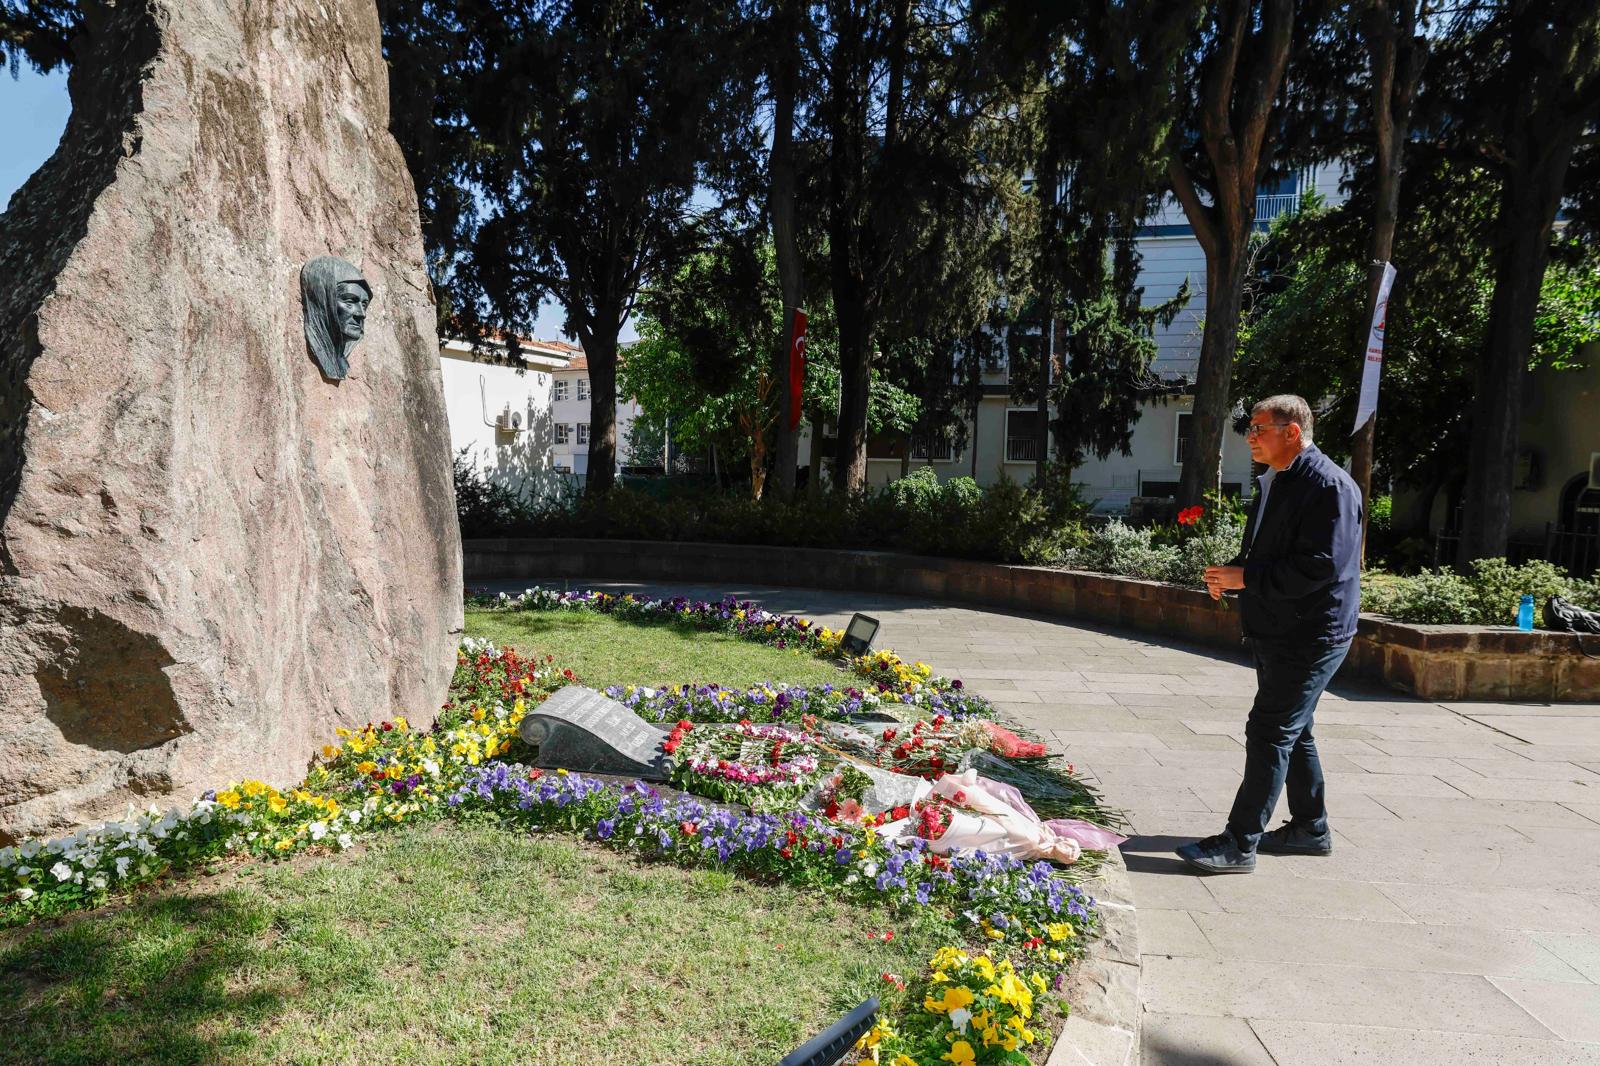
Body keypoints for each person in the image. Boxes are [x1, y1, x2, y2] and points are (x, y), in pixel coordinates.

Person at [1175, 394, 1363, 874]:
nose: (1250, 437)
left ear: (1292, 432)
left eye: (1259, 428)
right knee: (1293, 731)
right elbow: (1276, 549)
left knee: (1269, 730)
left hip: (1312, 632)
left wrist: (1249, 578)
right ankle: (1309, 829)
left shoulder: (1328, 486)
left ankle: (1239, 844)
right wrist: (1236, 572)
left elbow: (1323, 566)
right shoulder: (1279, 480)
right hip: (1281, 627)